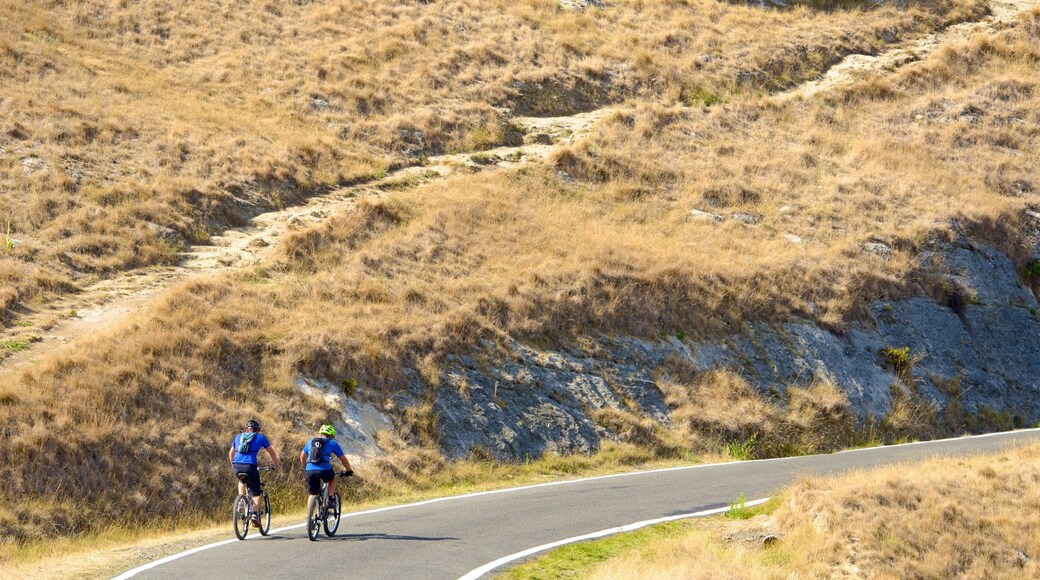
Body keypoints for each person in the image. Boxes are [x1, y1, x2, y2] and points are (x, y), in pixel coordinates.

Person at [229, 419, 281, 527]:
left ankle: (241, 500)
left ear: (246, 429)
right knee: (256, 493)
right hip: (250, 466)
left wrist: (233, 465)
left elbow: (231, 453)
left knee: (241, 480)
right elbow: (272, 452)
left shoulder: (239, 436)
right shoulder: (260, 437)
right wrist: (276, 465)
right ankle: (253, 515)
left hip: (236, 465)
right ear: (257, 430)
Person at [300, 424, 353, 510]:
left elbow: (302, 456)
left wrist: (306, 467)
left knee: (313, 494)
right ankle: (330, 499)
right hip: (324, 470)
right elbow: (343, 459)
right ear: (331, 435)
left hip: (310, 470)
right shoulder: (332, 443)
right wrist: (349, 470)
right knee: (332, 479)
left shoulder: (311, 441)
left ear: (321, 433)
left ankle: (310, 516)